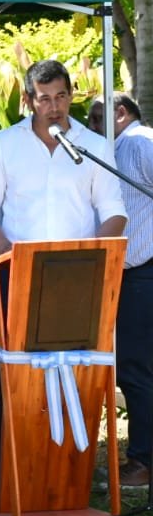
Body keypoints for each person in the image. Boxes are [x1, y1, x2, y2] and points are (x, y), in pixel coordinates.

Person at [0, 60, 126, 496]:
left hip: (79, 283)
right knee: (13, 380)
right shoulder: (4, 145)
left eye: (60, 97)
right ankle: (9, 482)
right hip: (18, 276)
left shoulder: (92, 146)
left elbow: (114, 211)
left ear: (71, 95)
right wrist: (9, 255)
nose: (53, 107)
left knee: (77, 376)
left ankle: (69, 479)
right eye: (44, 99)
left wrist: (91, 258)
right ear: (28, 100)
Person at [88, 93, 153, 489]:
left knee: (134, 368)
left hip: (143, 272)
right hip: (129, 274)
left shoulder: (139, 142)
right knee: (134, 368)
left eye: (97, 119)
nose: (93, 127)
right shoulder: (119, 148)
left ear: (121, 113)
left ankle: (142, 462)